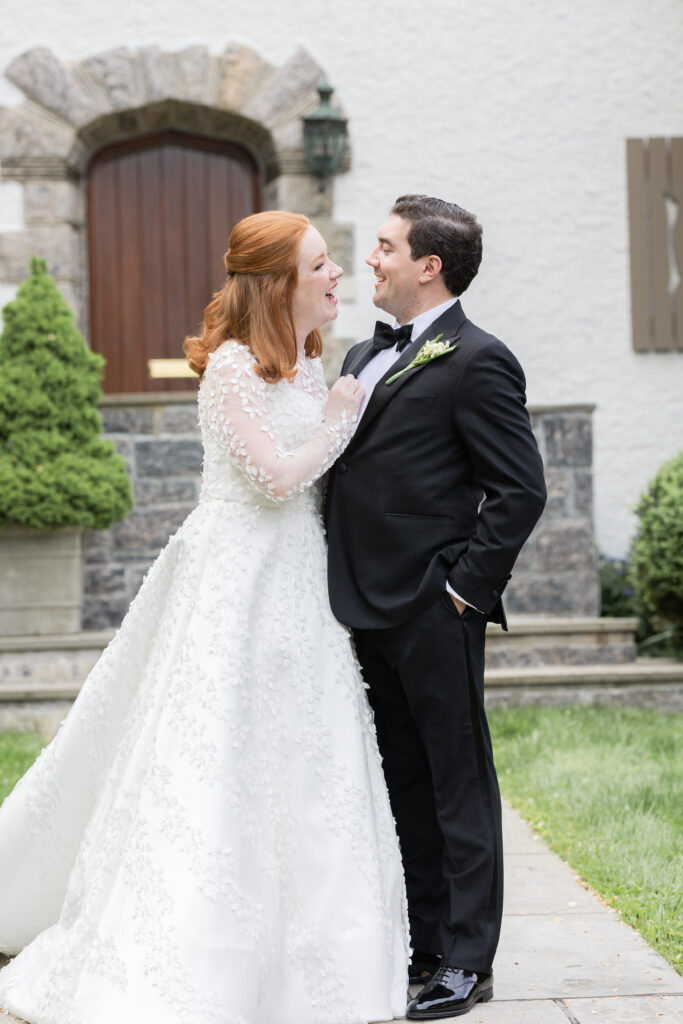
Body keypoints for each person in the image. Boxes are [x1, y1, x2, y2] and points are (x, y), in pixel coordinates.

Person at [0, 211, 410, 1024]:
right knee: (211, 750)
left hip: (299, 585)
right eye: (321, 265)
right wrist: (338, 419)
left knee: (311, 756)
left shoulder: (307, 364)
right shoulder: (230, 369)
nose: (338, 276)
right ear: (280, 283)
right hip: (233, 579)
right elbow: (271, 479)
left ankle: (317, 951)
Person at [325, 195, 547, 1020]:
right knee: (400, 784)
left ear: (428, 265)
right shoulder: (361, 351)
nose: (369, 258)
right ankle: (420, 945)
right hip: (357, 607)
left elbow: (519, 490)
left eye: (384, 246)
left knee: (456, 785)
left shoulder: (478, 359)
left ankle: (466, 961)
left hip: (429, 606)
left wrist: (460, 590)